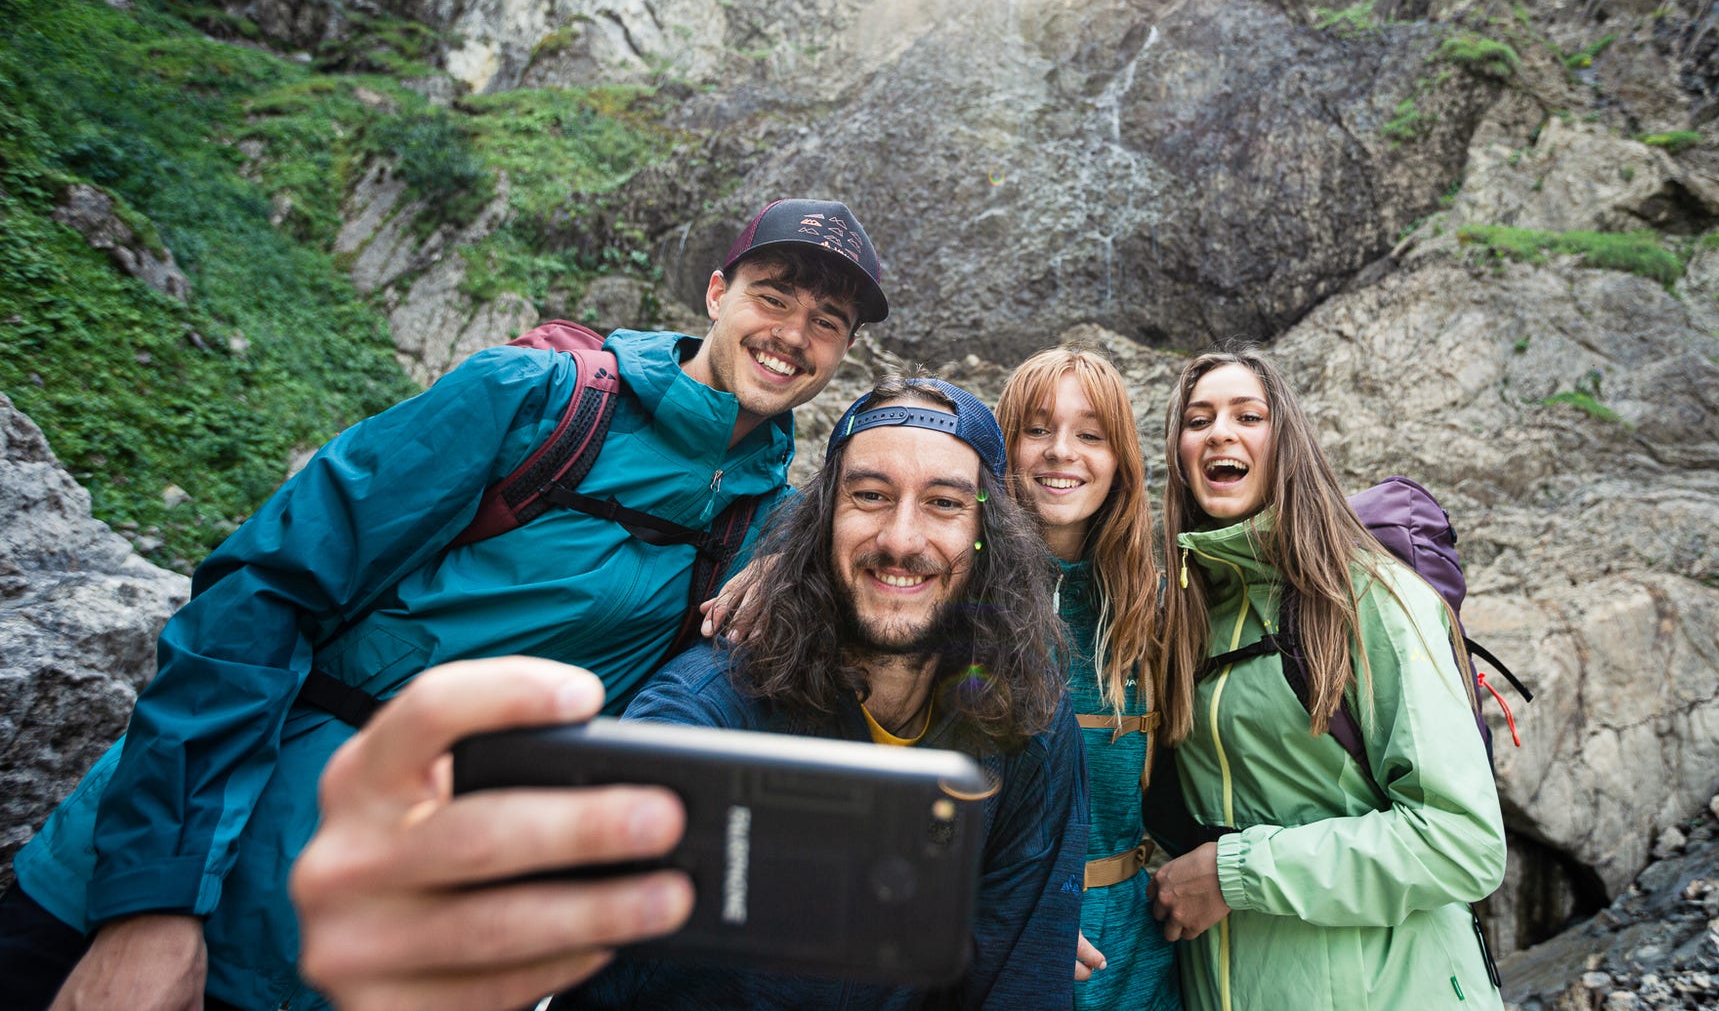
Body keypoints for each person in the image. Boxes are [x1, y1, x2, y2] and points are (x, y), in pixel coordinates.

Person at [1, 198, 889, 1011]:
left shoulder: (766, 517)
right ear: (716, 292)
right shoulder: (533, 398)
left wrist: (787, 556)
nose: (792, 334)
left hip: (384, 948)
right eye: (773, 297)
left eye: (827, 322)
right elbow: (261, 593)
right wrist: (151, 902)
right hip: (192, 881)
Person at [289, 377, 1086, 1011]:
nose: (903, 538)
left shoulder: (1027, 726)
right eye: (869, 495)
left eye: (945, 503)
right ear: (820, 521)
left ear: (989, 536)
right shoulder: (707, 712)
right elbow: (574, 912)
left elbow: (1016, 974)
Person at [1144, 348, 1508, 1011]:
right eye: (1198, 420)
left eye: (1247, 414)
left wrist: (1237, 873)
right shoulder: (1186, 618)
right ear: (1177, 454)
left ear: (1287, 442)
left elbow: (1464, 841)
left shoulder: (1372, 596)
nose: (1220, 431)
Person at [992, 346, 1178, 1010]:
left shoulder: (1156, 614)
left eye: (1089, 434)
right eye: (1038, 428)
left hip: (1138, 963)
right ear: (1005, 446)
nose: (1060, 451)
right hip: (999, 949)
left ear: (1120, 462)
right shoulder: (952, 598)